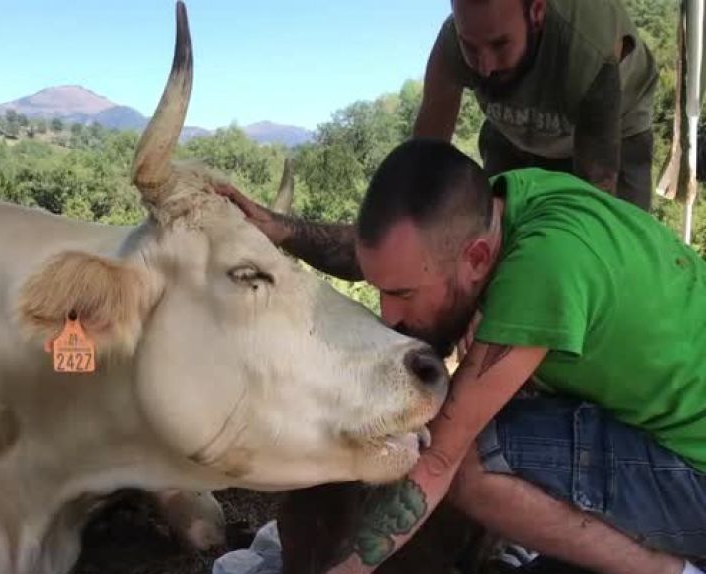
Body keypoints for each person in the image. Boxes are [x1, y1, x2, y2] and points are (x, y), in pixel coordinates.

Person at [213, 138, 706, 574]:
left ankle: (673, 570)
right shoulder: (500, 206)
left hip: (696, 478)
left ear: (476, 259)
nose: (390, 315)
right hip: (668, 424)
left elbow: (440, 461)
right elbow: (396, 257)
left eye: (404, 294)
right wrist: (284, 230)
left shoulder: (544, 270)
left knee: (471, 461)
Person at [415, 0, 659, 210]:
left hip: (616, 131)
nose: (485, 66)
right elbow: (426, 152)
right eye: (470, 47)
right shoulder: (453, 40)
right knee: (492, 230)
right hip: (514, 133)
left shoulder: (589, 44)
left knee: (618, 233)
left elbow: (597, 189)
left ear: (536, 12)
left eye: (499, 44)